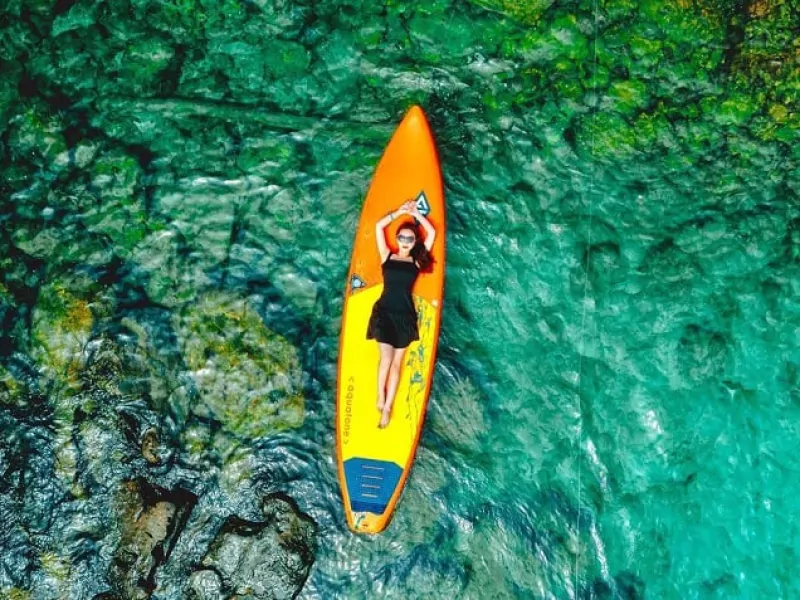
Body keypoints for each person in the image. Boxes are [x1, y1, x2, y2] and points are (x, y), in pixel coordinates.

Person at [367, 199, 436, 428]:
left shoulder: (416, 261)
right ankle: (379, 395)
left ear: (414, 241)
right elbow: (379, 227)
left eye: (409, 238)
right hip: (384, 312)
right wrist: (399, 212)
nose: (405, 241)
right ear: (397, 239)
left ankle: (387, 407)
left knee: (397, 364)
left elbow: (431, 231)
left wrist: (416, 213)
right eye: (401, 237)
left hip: (405, 316)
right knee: (385, 359)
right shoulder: (387, 255)